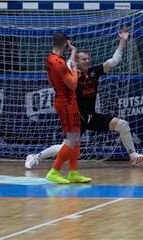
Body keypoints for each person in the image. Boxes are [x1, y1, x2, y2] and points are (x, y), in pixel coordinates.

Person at [26, 28, 143, 170]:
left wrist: (122, 41)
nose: (86, 61)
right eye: (83, 59)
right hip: (77, 116)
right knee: (66, 147)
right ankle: (35, 157)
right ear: (76, 61)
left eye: (88, 59)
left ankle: (134, 157)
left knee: (123, 125)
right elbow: (67, 66)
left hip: (92, 115)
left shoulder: (93, 72)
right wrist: (72, 57)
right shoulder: (71, 72)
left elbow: (114, 61)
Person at [45, 32, 90, 184]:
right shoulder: (58, 62)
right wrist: (76, 72)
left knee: (76, 137)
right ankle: (54, 171)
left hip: (68, 100)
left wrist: (73, 53)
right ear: (65, 43)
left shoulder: (51, 59)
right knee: (72, 138)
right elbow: (72, 84)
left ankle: (73, 172)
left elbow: (53, 79)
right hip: (66, 102)